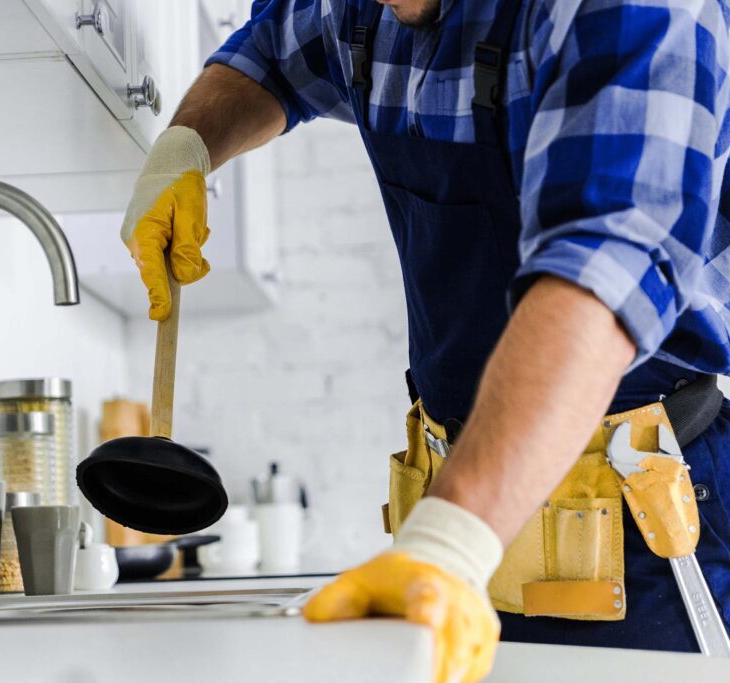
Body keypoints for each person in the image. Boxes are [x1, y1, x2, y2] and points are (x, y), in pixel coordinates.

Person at [119, 1, 730, 680]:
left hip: (645, 528)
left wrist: (448, 543)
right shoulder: (358, 9)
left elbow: (604, 277)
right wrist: (186, 147)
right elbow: (268, 56)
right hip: (464, 515)